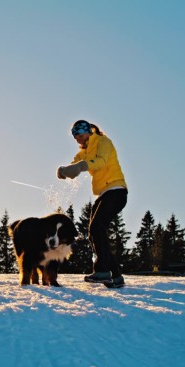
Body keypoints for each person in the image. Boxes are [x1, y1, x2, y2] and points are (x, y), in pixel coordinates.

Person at [57, 120, 128, 288]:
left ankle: (102, 270)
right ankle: (116, 276)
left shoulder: (104, 142)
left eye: (80, 136)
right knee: (94, 232)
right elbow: (76, 163)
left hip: (116, 190)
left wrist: (82, 166)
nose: (79, 140)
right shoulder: (85, 151)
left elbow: (102, 161)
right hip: (104, 193)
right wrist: (64, 170)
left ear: (88, 131)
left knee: (97, 227)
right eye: (76, 138)